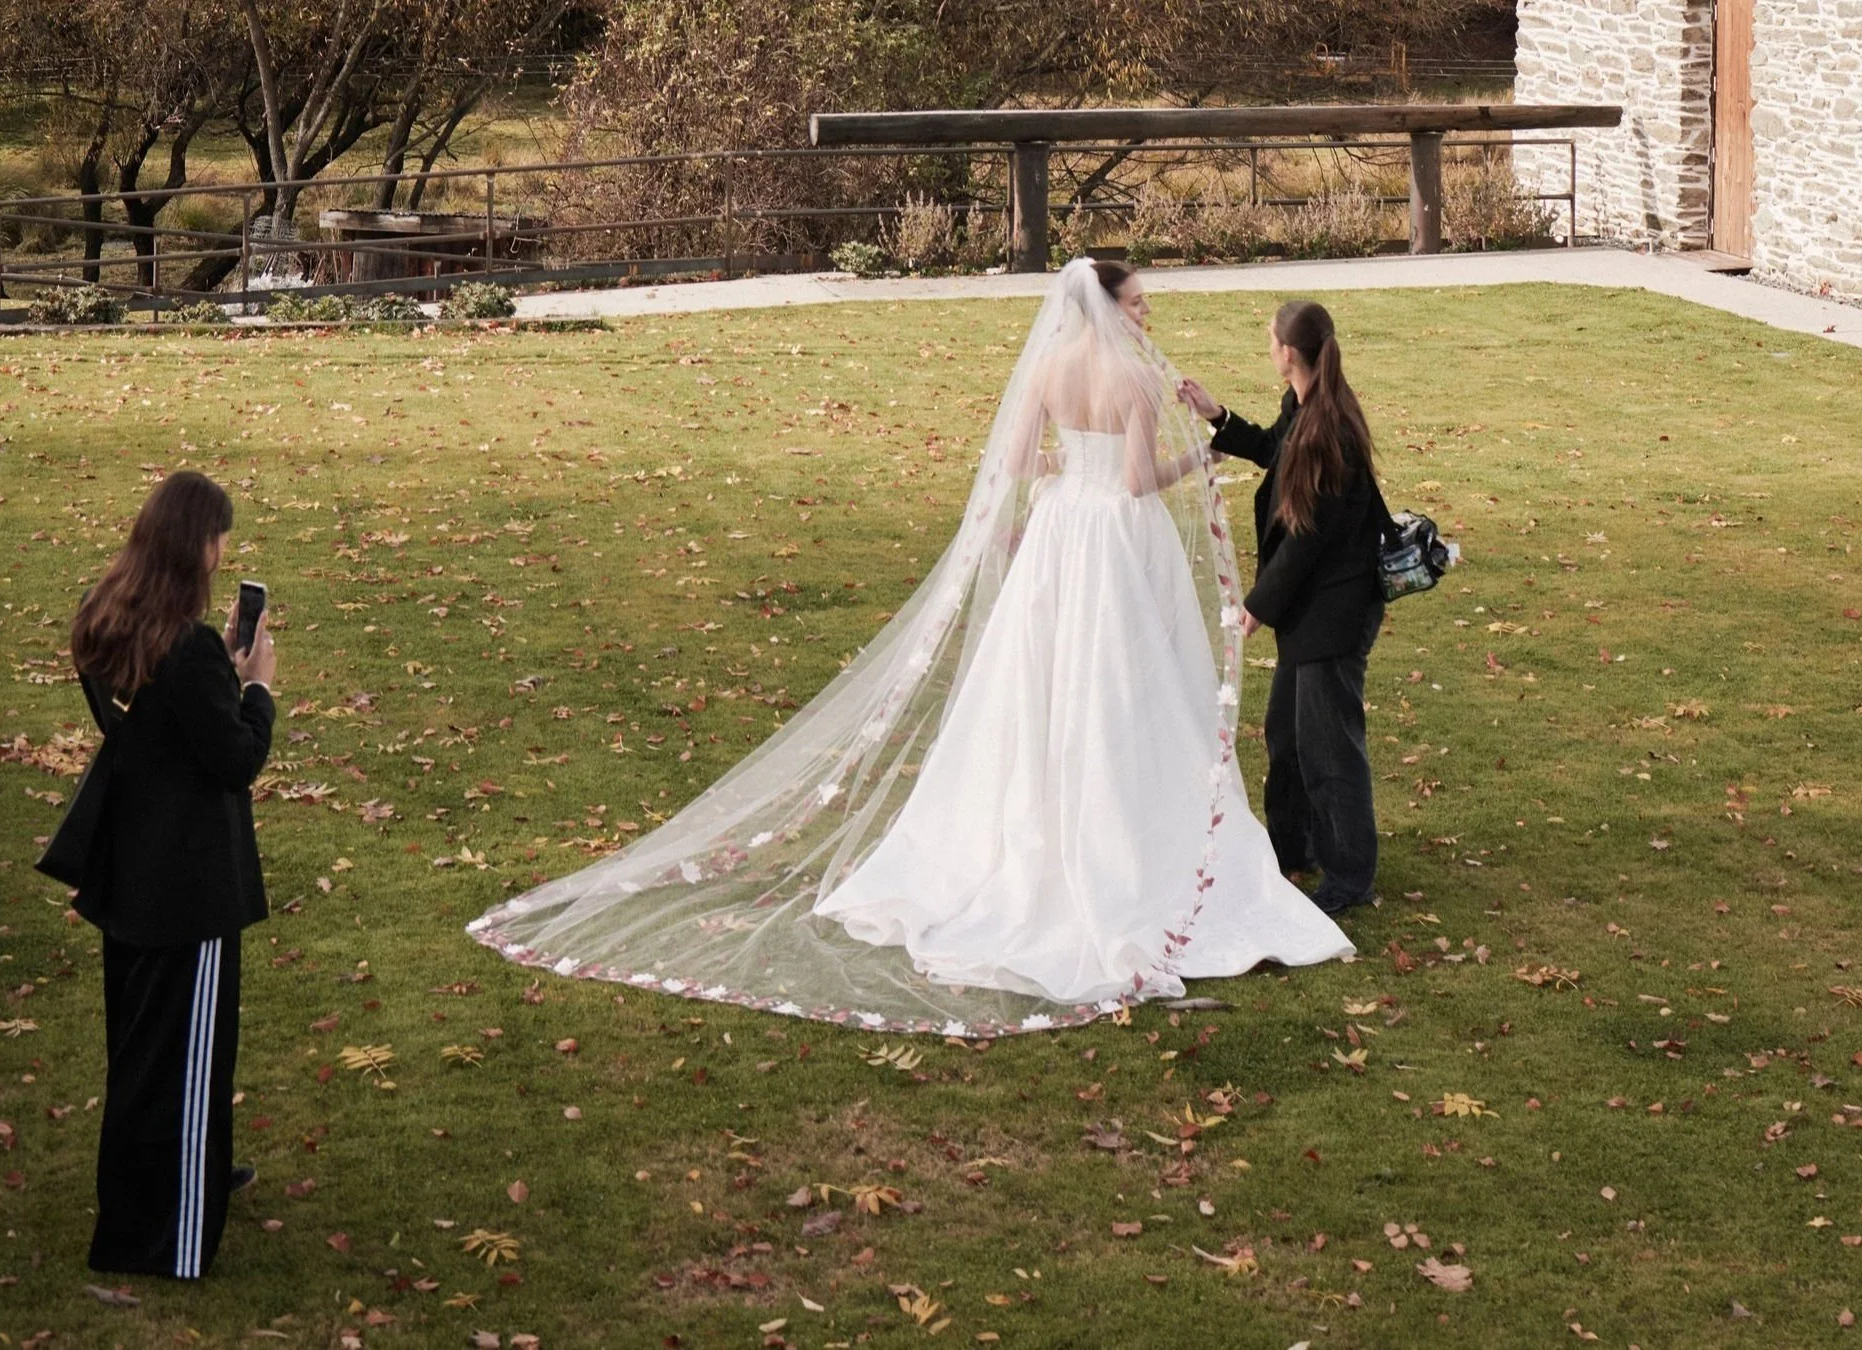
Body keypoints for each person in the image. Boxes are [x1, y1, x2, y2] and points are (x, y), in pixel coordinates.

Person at [468, 259, 1350, 1037]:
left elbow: (1017, 464)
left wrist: (1062, 480)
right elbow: (1132, 482)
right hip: (1114, 542)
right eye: (1139, 303)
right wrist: (1199, 460)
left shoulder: (1048, 365)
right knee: (1123, 683)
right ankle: (1125, 829)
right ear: (1110, 308)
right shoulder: (1134, 380)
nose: (1146, 314)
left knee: (1041, 681)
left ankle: (1039, 820)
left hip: (1057, 539)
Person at [57, 470, 275, 1279]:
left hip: (130, 871)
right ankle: (167, 1236)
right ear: (195, 546)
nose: (221, 555)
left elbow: (152, 729)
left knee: (143, 1049)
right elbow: (236, 758)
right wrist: (256, 686)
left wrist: (219, 674)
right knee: (189, 1052)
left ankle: (170, 1182)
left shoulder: (106, 619)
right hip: (189, 887)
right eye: (216, 539)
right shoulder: (186, 650)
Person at [1178, 300, 1388, 916]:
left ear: (1288, 353)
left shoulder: (1329, 427)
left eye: (1270, 340)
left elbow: (1308, 536)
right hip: (1312, 609)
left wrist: (1258, 605)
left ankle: (1349, 874)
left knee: (1329, 749)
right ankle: (1291, 846)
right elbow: (1275, 447)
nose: (1268, 348)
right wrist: (1218, 416)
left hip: (1335, 610)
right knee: (1287, 734)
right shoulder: (1306, 406)